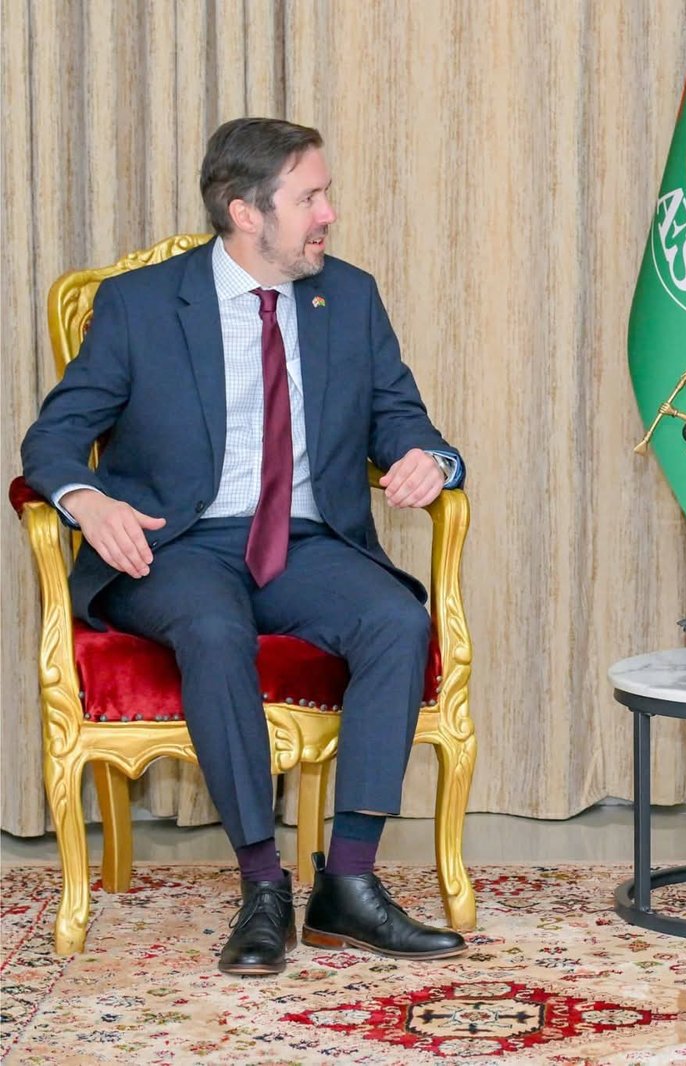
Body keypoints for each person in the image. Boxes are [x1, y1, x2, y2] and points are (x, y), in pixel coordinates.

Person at [21, 117, 470, 976]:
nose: (328, 213)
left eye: (325, 195)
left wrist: (430, 460)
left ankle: (349, 884)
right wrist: (87, 500)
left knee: (395, 620)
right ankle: (263, 886)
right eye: (310, 198)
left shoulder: (350, 297)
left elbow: (403, 418)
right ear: (246, 213)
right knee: (213, 627)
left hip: (305, 541)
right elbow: (53, 438)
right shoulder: (141, 305)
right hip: (175, 545)